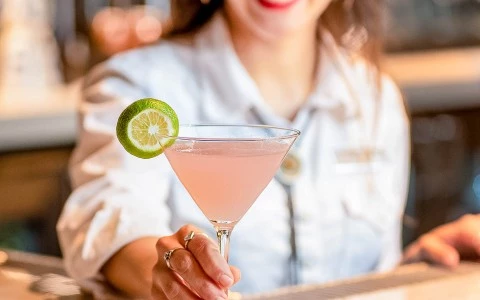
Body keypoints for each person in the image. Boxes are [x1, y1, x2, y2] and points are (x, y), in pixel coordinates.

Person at [57, 0, 480, 299]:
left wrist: (419, 270)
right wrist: (168, 275)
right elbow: (110, 226)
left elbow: (369, 271)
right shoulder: (139, 89)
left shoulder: (374, 97)